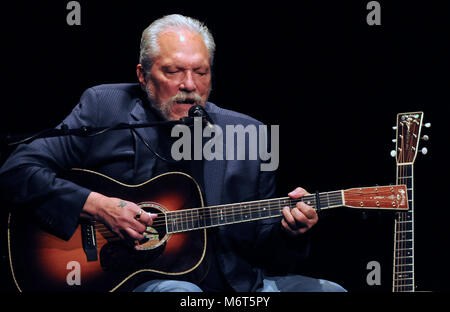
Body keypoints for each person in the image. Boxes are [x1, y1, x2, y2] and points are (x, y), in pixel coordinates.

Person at [0, 14, 345, 292]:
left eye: (201, 72)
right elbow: (18, 169)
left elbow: (267, 250)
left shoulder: (250, 134)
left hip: (234, 287)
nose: (189, 85)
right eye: (173, 71)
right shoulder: (105, 108)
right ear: (143, 75)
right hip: (141, 281)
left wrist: (292, 231)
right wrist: (100, 206)